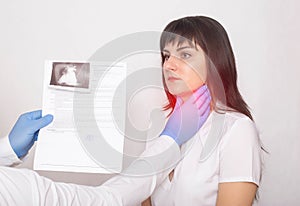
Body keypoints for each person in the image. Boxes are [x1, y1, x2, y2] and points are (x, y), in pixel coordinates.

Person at [141, 16, 263, 206]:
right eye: (166, 56)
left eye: (185, 55)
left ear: (215, 62)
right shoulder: (160, 123)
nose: (168, 65)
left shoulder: (237, 129)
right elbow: (143, 196)